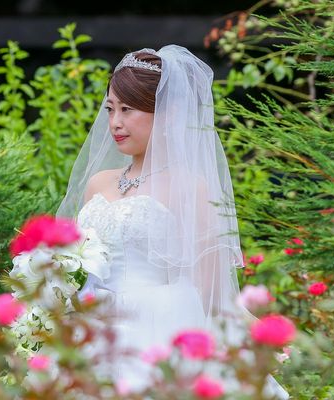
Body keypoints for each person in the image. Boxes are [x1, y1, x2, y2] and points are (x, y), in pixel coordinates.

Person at [56, 45, 288, 398]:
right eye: (110, 109)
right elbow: (74, 259)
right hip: (92, 322)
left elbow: (210, 289)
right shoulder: (98, 183)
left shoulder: (189, 189)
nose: (115, 122)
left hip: (159, 324)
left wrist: (254, 337)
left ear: (167, 114)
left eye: (128, 109)